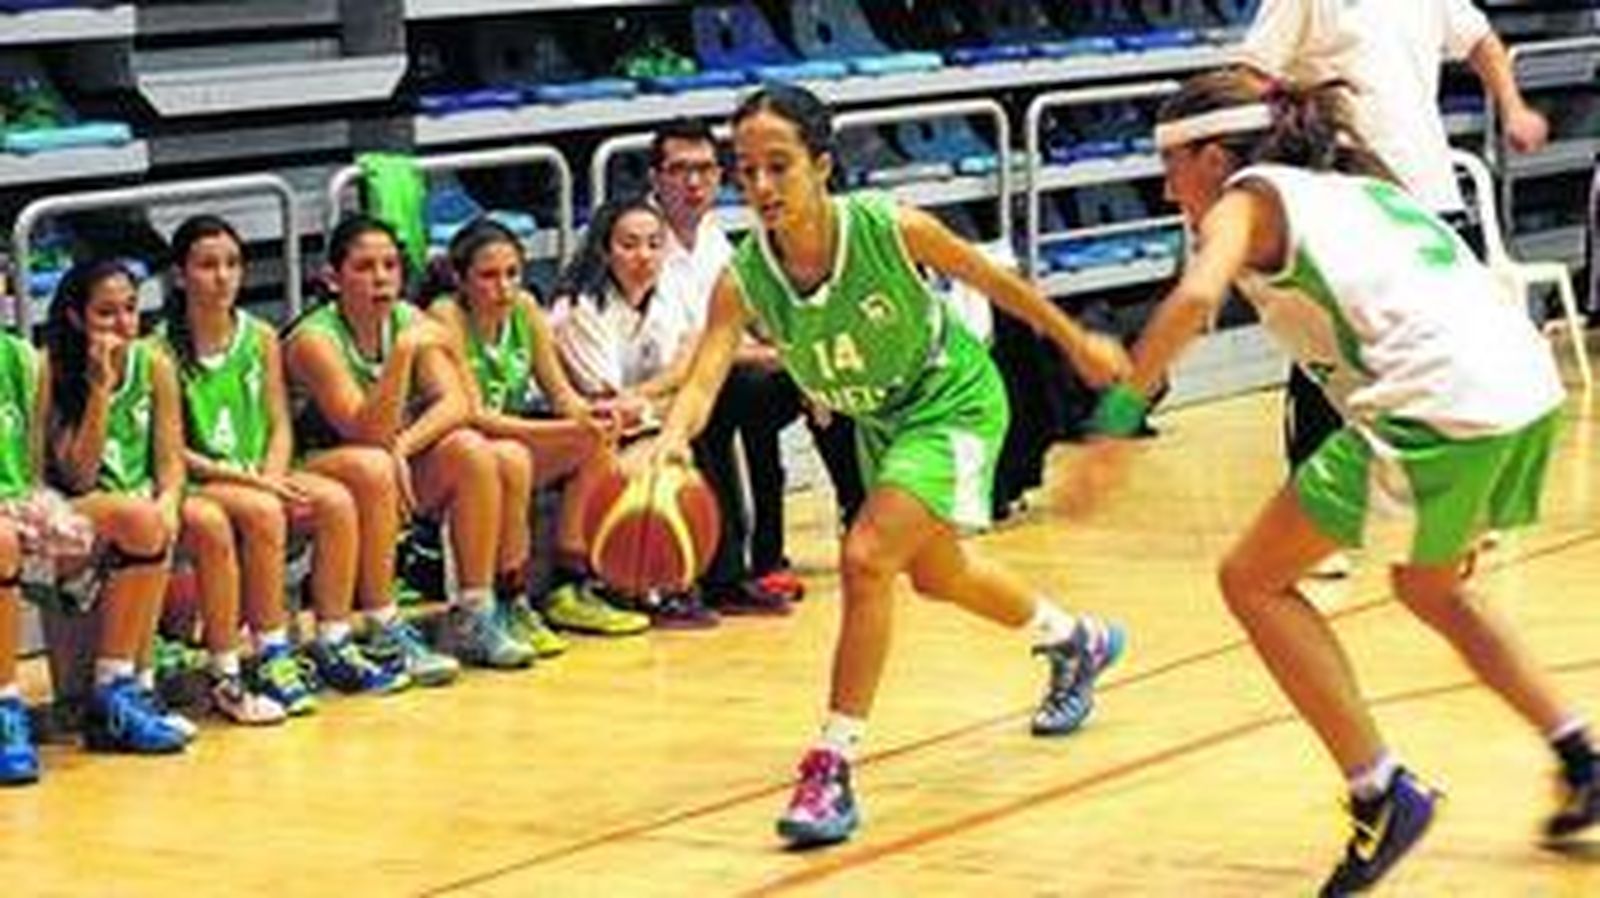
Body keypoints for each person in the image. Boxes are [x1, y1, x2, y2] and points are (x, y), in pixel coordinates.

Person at [1083, 69, 1599, 894]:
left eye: (1171, 166)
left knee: (1251, 579)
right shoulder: (1352, 190)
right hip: (1525, 389)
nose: (1167, 186)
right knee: (1432, 588)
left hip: (1438, 404)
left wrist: (1112, 425)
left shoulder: (1244, 201)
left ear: (1213, 156)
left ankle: (1379, 788)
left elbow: (1194, 299)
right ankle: (1582, 755)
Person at [650, 83, 1130, 847]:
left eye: (780, 166)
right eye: (748, 171)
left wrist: (1075, 343)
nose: (762, 187)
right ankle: (1076, 639)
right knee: (937, 575)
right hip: (881, 422)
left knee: (866, 556)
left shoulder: (889, 227)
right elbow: (705, 373)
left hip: (952, 401)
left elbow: (995, 283)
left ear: (823, 166)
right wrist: (673, 437)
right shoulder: (743, 277)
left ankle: (831, 766)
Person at [1237, 0, 1552, 571]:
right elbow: (1254, 75)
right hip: (1339, 197)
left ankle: (1462, 513)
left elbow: (1480, 39)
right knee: (1325, 359)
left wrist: (1513, 106)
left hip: (1427, 192)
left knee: (1460, 356)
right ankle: (1314, 526)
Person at [285, 215, 535, 675]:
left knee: (470, 449)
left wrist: (403, 446)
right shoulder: (313, 341)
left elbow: (457, 402)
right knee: (373, 465)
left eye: (390, 265)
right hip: (308, 467)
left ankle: (473, 613)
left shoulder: (406, 318)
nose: (381, 277)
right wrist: (402, 355)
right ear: (332, 279)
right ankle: (383, 627)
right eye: (364, 267)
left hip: (383, 461)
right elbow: (364, 433)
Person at [161, 214, 381, 716]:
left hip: (262, 471)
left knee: (336, 501)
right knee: (263, 510)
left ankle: (332, 638)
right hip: (202, 481)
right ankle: (269, 652)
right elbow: (173, 451)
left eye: (233, 264)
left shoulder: (259, 335)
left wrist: (276, 476)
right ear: (180, 275)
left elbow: (281, 422)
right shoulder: (159, 350)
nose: (222, 277)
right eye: (207, 265)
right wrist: (256, 483)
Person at [650, 117, 862, 608]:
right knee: (743, 393)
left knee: (822, 376)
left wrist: (804, 360)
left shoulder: (716, 240)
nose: (694, 182)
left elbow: (759, 320)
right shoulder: (642, 239)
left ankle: (856, 516)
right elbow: (693, 352)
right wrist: (777, 354)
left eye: (705, 169)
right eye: (680, 170)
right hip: (670, 390)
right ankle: (731, 570)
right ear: (655, 178)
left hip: (724, 375)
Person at [426, 217, 648, 643]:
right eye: (488, 276)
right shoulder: (445, 315)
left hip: (507, 442)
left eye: (512, 274)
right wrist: (570, 429)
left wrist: (597, 415)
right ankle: (508, 601)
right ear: (460, 278)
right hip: (453, 452)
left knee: (595, 441)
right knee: (518, 455)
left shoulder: (526, 308)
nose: (504, 287)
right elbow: (472, 414)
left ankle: (570, 585)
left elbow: (562, 394)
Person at [42, 260, 192, 754]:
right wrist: (100, 390)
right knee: (137, 518)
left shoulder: (155, 363)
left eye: (130, 309)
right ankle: (119, 690)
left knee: (171, 521)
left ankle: (131, 689)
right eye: (106, 313)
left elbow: (171, 464)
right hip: (70, 518)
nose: (125, 324)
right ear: (75, 318)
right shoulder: (53, 368)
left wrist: (169, 504)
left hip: (137, 516)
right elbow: (78, 476)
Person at [549, 195, 718, 627]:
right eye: (629, 244)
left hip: (639, 413)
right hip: (573, 420)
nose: (643, 255)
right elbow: (608, 401)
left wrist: (650, 398)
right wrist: (665, 403)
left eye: (653, 243)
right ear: (604, 250)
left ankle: (675, 579)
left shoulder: (671, 289)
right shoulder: (580, 307)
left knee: (689, 431)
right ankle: (591, 582)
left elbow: (691, 358)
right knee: (645, 455)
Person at [0, 325, 96, 781]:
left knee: (139, 524)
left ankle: (119, 685)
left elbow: (31, 467)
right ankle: (4, 704)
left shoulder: (24, 359)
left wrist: (38, 511)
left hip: (12, 505)